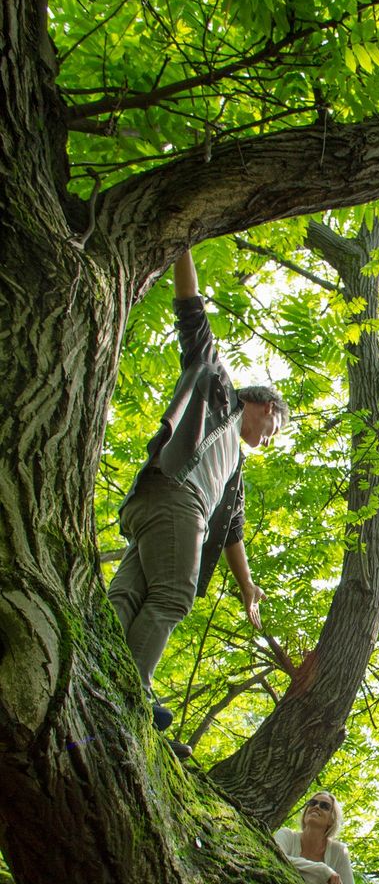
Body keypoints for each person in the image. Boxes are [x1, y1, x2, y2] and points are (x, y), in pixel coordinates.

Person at [107, 249, 288, 746]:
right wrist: (183, 242)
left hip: (158, 508)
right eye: (276, 426)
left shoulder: (233, 470)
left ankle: (95, 659)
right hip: (174, 494)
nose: (271, 438)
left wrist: (247, 586)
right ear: (265, 405)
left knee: (129, 593)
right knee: (173, 594)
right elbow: (191, 313)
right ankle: (128, 688)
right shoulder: (221, 390)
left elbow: (232, 530)